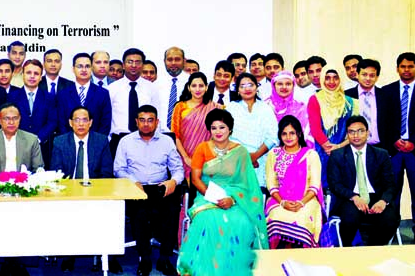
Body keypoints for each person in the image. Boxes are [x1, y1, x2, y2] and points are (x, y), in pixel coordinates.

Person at [177, 109, 267, 276]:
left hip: (236, 198)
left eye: (222, 127)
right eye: (214, 128)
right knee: (207, 219)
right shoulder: (202, 148)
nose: (218, 132)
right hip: (206, 195)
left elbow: (247, 184)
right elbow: (196, 179)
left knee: (241, 221)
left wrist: (232, 200)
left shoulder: (240, 152)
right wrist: (214, 198)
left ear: (230, 129)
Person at [115, 105, 183, 276]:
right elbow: (119, 169)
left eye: (150, 120)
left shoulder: (167, 141)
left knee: (172, 210)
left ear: (157, 122)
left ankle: (164, 259)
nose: (146, 124)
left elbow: (178, 168)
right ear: (136, 122)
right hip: (136, 188)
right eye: (142, 120)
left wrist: (173, 181)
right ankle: (144, 258)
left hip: (161, 187)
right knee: (140, 213)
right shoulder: (126, 141)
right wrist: (132, 181)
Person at [52, 106, 115, 274]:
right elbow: (56, 173)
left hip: (95, 191)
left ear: (91, 122)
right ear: (70, 123)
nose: (81, 124)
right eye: (77, 120)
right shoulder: (60, 141)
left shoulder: (101, 141)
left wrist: (93, 191)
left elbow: (107, 172)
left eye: (85, 120)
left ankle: (107, 255)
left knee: (111, 210)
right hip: (68, 193)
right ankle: (68, 255)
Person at [379, 52, 415, 244]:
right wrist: (395, 139)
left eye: (410, 66)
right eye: (403, 66)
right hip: (393, 150)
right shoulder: (387, 91)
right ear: (397, 68)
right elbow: (384, 121)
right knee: (392, 191)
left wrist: (414, 142)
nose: (406, 70)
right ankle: (391, 229)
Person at [327, 116, 399, 246]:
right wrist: (354, 197)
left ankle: (373, 249)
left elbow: (390, 185)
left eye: (360, 131)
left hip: (377, 197)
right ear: (347, 134)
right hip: (350, 197)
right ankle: (347, 249)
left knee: (390, 220)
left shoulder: (381, 154)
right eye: (351, 132)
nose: (356, 135)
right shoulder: (337, 155)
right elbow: (334, 184)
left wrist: (383, 201)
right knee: (350, 219)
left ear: (367, 133)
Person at [265, 116, 323, 249]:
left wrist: (301, 202)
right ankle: (279, 255)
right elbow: (271, 184)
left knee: (301, 219)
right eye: (284, 133)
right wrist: (282, 202)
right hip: (280, 199)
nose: (288, 137)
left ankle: (299, 256)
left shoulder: (310, 155)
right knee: (275, 216)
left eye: (292, 133)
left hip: (306, 200)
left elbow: (314, 186)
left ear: (299, 134)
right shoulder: (274, 154)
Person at [226, 73, 278, 189]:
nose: (247, 88)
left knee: (257, 195)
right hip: (235, 159)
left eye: (250, 85)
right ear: (238, 90)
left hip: (260, 159)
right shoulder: (231, 108)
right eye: (242, 86)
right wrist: (244, 157)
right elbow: (225, 136)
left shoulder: (266, 108)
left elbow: (273, 137)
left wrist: (255, 156)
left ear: (256, 87)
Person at [307, 69, 359, 187]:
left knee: (343, 187)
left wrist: (338, 147)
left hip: (344, 151)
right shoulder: (315, 99)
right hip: (321, 150)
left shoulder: (350, 102)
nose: (331, 81)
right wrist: (328, 147)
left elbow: (353, 131)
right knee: (321, 186)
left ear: (340, 79)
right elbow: (315, 129)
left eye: (335, 77)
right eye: (327, 78)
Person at [108, 48, 160, 159]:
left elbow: (157, 115)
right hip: (118, 140)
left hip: (146, 140)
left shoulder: (152, 88)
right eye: (130, 62)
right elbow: (107, 117)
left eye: (137, 62)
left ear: (142, 65)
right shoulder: (112, 89)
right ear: (123, 65)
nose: (133, 65)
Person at [171, 72, 221, 178]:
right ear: (189, 87)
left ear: (207, 87)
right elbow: (175, 135)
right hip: (183, 157)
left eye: (201, 86)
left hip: (207, 158)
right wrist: (186, 158)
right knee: (187, 191)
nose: (197, 89)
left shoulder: (214, 107)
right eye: (194, 86)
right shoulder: (180, 106)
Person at [0, 103, 44, 177]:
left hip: (23, 185)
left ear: (20, 118)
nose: (11, 122)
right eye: (6, 118)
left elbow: (38, 169)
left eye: (15, 118)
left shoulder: (31, 140)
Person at [9, 59, 57, 166]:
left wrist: (37, 139)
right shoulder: (12, 96)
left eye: (36, 73)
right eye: (28, 73)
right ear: (23, 74)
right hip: (17, 145)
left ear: (41, 77)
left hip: (42, 146)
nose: (32, 76)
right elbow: (9, 120)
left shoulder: (49, 97)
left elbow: (52, 121)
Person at [55, 52, 112, 136]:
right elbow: (61, 123)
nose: (84, 70)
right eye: (80, 66)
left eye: (87, 66)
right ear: (73, 69)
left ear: (92, 68)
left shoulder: (102, 93)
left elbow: (105, 123)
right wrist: (69, 143)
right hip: (69, 144)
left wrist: (97, 142)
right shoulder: (63, 94)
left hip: (95, 144)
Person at [266, 70, 313, 147]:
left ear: (293, 86)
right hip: (268, 153)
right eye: (280, 84)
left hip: (297, 152)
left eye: (288, 84)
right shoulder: (266, 106)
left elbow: (306, 135)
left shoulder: (301, 108)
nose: (284, 87)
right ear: (274, 86)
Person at [344, 59, 384, 146]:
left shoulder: (385, 96)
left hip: (380, 148)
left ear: (377, 77)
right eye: (364, 75)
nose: (368, 78)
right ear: (357, 74)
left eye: (372, 75)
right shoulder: (347, 96)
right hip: (353, 147)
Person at [157, 46, 188, 129]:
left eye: (177, 59)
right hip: (160, 134)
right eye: (169, 60)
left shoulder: (192, 83)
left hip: (185, 134)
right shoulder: (155, 84)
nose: (173, 63)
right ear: (164, 61)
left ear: (184, 61)